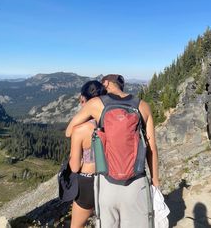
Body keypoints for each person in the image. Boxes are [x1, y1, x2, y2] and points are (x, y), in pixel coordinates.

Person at [66, 74, 159, 228]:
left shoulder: (96, 104)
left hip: (106, 182)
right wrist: (155, 182)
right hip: (136, 181)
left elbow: (69, 131)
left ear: (106, 83)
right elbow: (152, 148)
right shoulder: (143, 106)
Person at [69, 80, 106, 228]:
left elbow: (74, 167)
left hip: (87, 181)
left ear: (83, 99)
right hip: (110, 178)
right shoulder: (110, 121)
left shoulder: (80, 130)